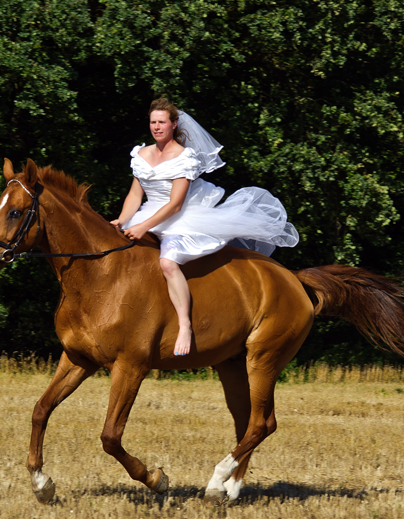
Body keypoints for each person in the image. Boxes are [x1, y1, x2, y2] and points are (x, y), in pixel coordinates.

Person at [111, 98, 299, 356]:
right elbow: (135, 195)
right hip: (147, 213)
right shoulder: (142, 154)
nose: (156, 127)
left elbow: (176, 204)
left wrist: (144, 226)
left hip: (179, 218)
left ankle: (185, 325)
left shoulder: (183, 157)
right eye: (153, 122)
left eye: (162, 122)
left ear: (173, 124)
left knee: (167, 262)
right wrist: (122, 220)